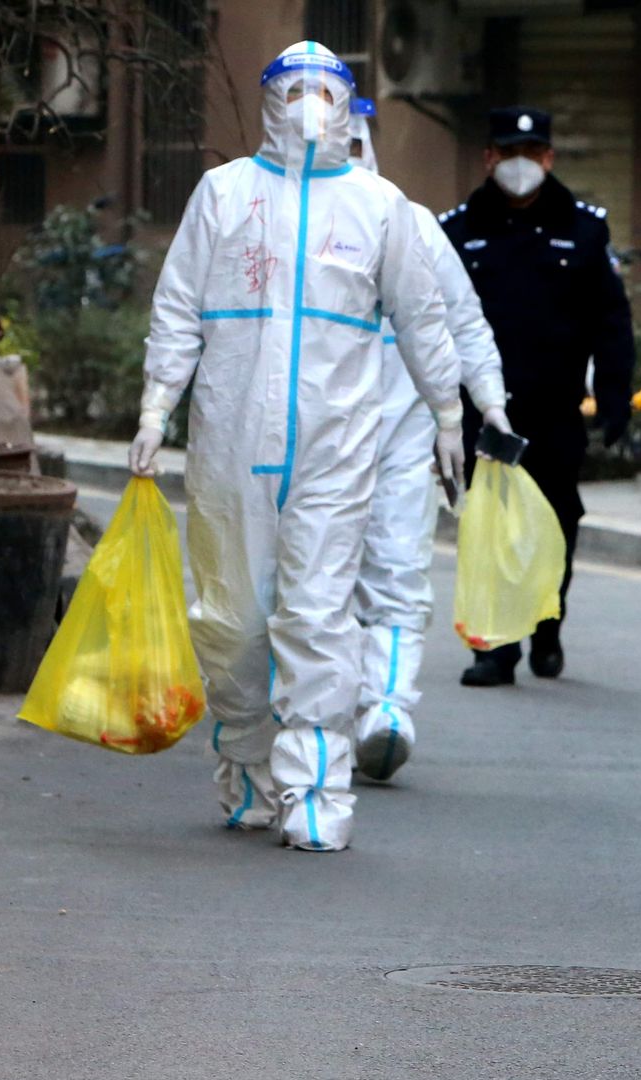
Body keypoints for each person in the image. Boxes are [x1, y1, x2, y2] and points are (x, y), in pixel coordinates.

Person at [128, 42, 466, 852]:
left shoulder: (379, 206)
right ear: (270, 101)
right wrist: (155, 405)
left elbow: (422, 321)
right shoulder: (224, 193)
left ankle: (317, 793)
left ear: (348, 105)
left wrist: (448, 413)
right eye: (293, 89)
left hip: (334, 448)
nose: (309, 103)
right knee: (232, 621)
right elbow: (177, 307)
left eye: (324, 89)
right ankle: (247, 764)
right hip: (229, 442)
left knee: (317, 618)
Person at [438, 106, 635, 687]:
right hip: (485, 410)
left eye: (532, 153)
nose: (519, 165)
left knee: (558, 519)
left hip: (555, 410)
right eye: (508, 153)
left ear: (548, 158)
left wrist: (616, 396)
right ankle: (496, 647)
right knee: (493, 524)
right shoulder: (458, 230)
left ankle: (547, 622)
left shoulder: (585, 229)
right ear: (488, 158)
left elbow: (611, 321)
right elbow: (434, 324)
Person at [344, 98, 511, 783]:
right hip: (297, 442)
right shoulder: (270, 222)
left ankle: (385, 709)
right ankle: (316, 713)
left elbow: (463, 325)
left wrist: (487, 408)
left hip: (400, 434)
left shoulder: (409, 225)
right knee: (310, 583)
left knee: (397, 573)